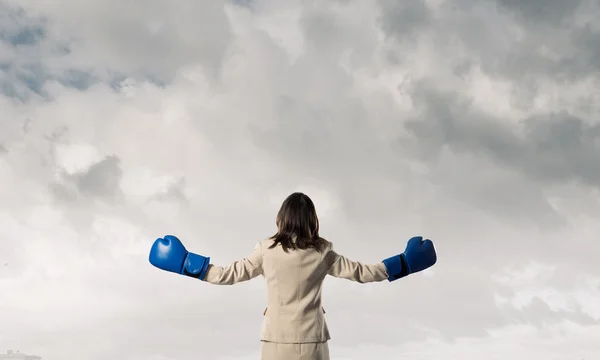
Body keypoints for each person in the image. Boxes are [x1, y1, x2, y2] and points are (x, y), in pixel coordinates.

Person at [149, 192, 437, 360]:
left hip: (275, 340)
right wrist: (404, 262)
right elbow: (364, 273)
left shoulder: (266, 250)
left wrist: (185, 263)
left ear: (281, 218)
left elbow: (227, 275)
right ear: (312, 220)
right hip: (313, 340)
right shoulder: (323, 251)